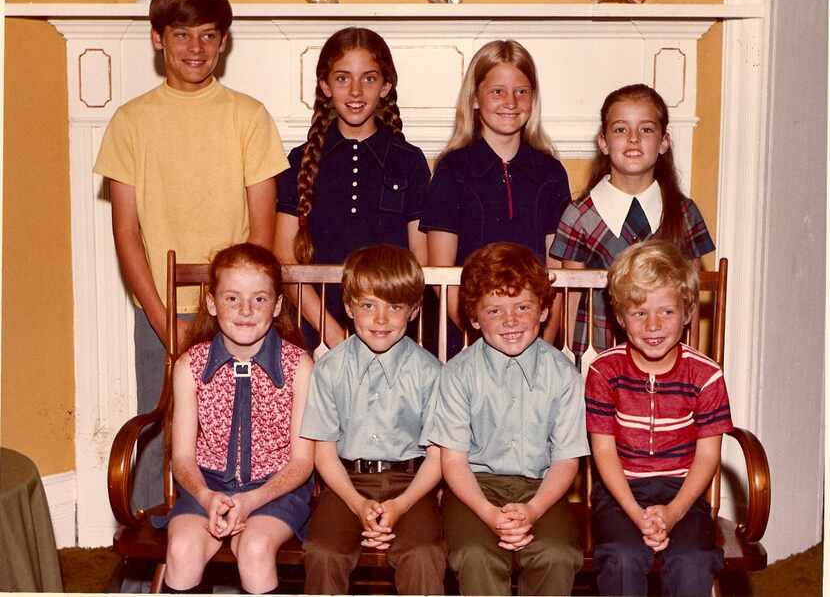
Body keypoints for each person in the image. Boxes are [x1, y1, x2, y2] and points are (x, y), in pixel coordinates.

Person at [93, 0, 288, 511]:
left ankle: (241, 544)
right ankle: (148, 563)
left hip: (240, 309)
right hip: (162, 310)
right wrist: (162, 318)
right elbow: (126, 232)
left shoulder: (248, 117)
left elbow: (261, 230)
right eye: (181, 35)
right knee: (161, 434)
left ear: (223, 41)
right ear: (158, 39)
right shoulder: (131, 121)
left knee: (239, 434)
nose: (195, 49)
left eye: (208, 36)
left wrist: (243, 307)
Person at [426, 242, 588, 595]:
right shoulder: (458, 374)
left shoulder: (563, 374)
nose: (511, 321)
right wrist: (489, 514)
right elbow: (453, 462)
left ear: (543, 310)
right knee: (474, 555)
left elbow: (566, 460)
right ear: (473, 317)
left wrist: (532, 510)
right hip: (474, 488)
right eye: (495, 311)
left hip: (542, 488)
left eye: (523, 307)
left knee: (557, 554)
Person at [156, 243, 314, 594]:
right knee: (182, 550)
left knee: (255, 550)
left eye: (259, 299)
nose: (245, 310)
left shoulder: (297, 365)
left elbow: (302, 461)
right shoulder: (190, 366)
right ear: (212, 303)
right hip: (207, 486)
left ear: (276, 306)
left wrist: (251, 500)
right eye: (232, 299)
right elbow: (181, 457)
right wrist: (206, 496)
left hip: (276, 490)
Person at [585, 239, 732, 596]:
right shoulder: (604, 372)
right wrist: (638, 514)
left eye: (666, 312)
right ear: (621, 317)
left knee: (693, 560)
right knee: (621, 557)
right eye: (639, 313)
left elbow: (708, 455)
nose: (653, 325)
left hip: (684, 492)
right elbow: (604, 453)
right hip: (621, 493)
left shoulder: (706, 375)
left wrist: (674, 512)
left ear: (687, 313)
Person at [299, 245, 446, 595]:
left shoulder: (430, 372)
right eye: (369, 305)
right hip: (344, 482)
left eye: (394, 307)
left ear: (412, 311)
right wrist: (356, 503)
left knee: (423, 554)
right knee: (323, 552)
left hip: (411, 486)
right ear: (349, 308)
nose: (381, 320)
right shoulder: (331, 369)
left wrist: (401, 504)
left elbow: (439, 456)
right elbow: (323, 451)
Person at [275, 27, 431, 352]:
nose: (356, 91)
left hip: (391, 330)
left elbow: (421, 259)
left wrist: (392, 328)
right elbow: (285, 260)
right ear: (325, 86)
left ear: (386, 86)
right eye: (343, 78)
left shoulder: (409, 161)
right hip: (316, 333)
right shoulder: (300, 160)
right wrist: (332, 335)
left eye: (369, 79)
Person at [418, 40, 570, 353]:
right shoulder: (453, 169)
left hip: (532, 338)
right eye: (497, 91)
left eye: (522, 91)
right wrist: (482, 339)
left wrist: (544, 347)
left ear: (533, 98)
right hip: (467, 340)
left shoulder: (550, 172)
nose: (511, 102)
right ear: (475, 99)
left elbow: (558, 275)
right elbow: (441, 276)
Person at [551, 83, 714, 365]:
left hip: (666, 363)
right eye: (620, 129)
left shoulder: (685, 213)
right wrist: (570, 362)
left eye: (646, 129)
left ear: (664, 141)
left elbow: (691, 297)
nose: (634, 139)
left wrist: (691, 362)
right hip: (596, 359)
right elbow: (569, 296)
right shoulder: (580, 215)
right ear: (603, 141)